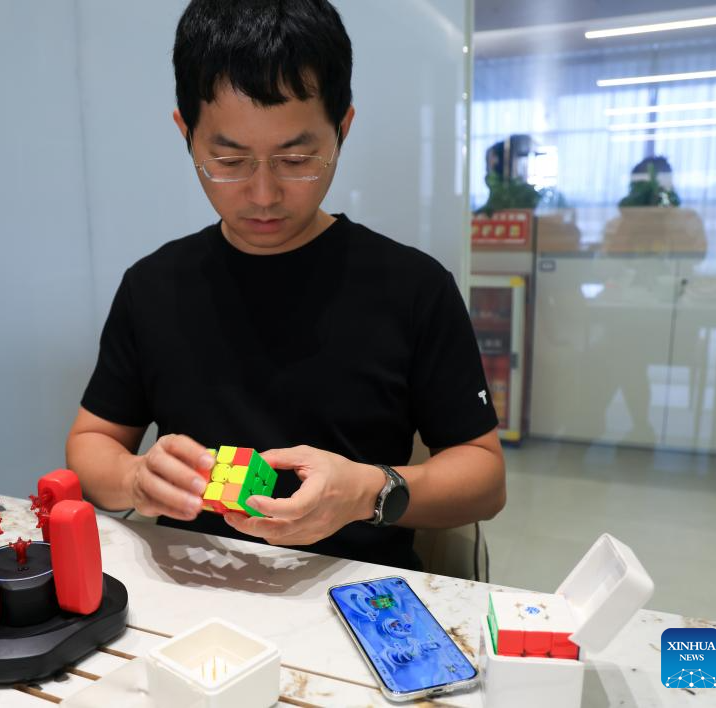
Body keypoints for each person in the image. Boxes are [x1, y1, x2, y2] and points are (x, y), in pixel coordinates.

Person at [66, 0, 505, 571]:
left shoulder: (414, 287)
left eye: (296, 159)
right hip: (190, 587)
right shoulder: (153, 285)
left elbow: (484, 477)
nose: (264, 194)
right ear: (187, 134)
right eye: (229, 160)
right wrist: (133, 477)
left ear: (342, 130)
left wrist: (368, 491)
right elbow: (90, 443)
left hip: (354, 592)